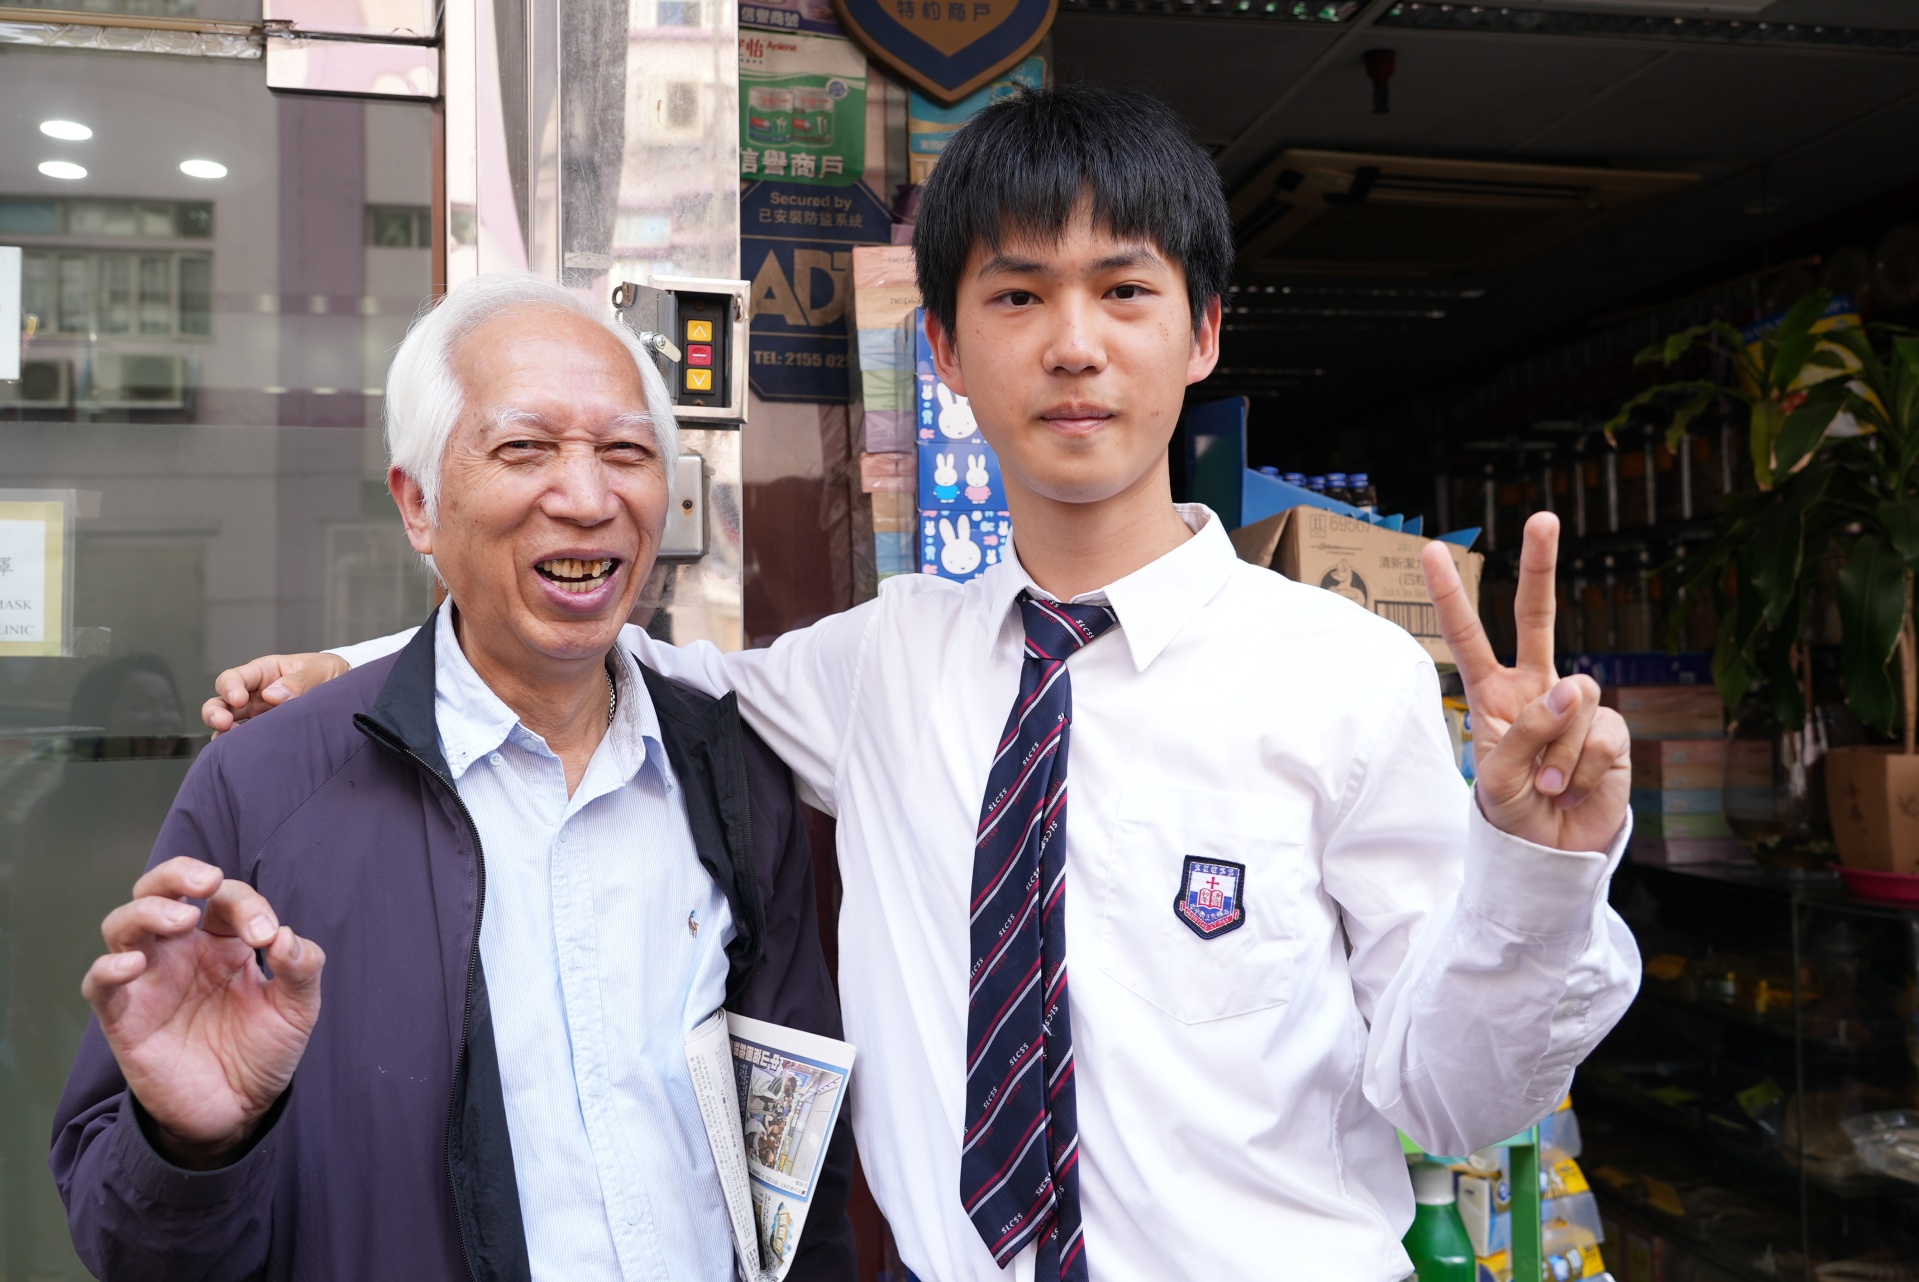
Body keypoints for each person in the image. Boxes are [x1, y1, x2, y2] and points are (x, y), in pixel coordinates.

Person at [202, 87, 1638, 1282]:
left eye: (1123, 290)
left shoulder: (1341, 675)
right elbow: (624, 661)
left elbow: (1452, 1095)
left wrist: (1536, 871)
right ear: (944, 350)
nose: (1072, 342)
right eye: (1017, 294)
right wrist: (362, 668)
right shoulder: (884, 662)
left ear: (1200, 331)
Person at [54, 274, 855, 1282]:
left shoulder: (731, 772)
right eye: (524, 448)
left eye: (625, 451)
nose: (587, 497)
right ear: (417, 505)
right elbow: (131, 1244)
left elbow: (796, 1166)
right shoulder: (266, 785)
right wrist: (192, 1144)